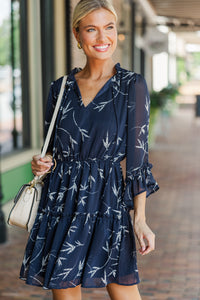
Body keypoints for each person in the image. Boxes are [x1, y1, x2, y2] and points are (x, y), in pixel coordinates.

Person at [20, 1, 159, 299]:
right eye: (91, 29)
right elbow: (54, 153)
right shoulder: (60, 89)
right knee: (64, 290)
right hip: (63, 203)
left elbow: (138, 160)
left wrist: (140, 218)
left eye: (109, 27)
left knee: (124, 291)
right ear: (77, 35)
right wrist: (44, 165)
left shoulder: (130, 86)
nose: (102, 38)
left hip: (106, 203)